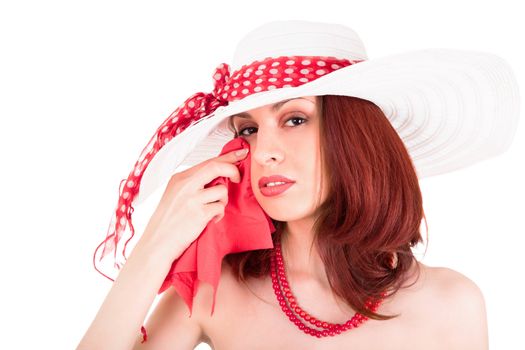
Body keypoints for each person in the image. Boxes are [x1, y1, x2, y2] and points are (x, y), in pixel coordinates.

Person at [77, 20, 519, 349]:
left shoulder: (451, 304)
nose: (265, 150)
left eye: (294, 119)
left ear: (353, 134)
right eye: (247, 129)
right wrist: (156, 246)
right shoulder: (217, 293)